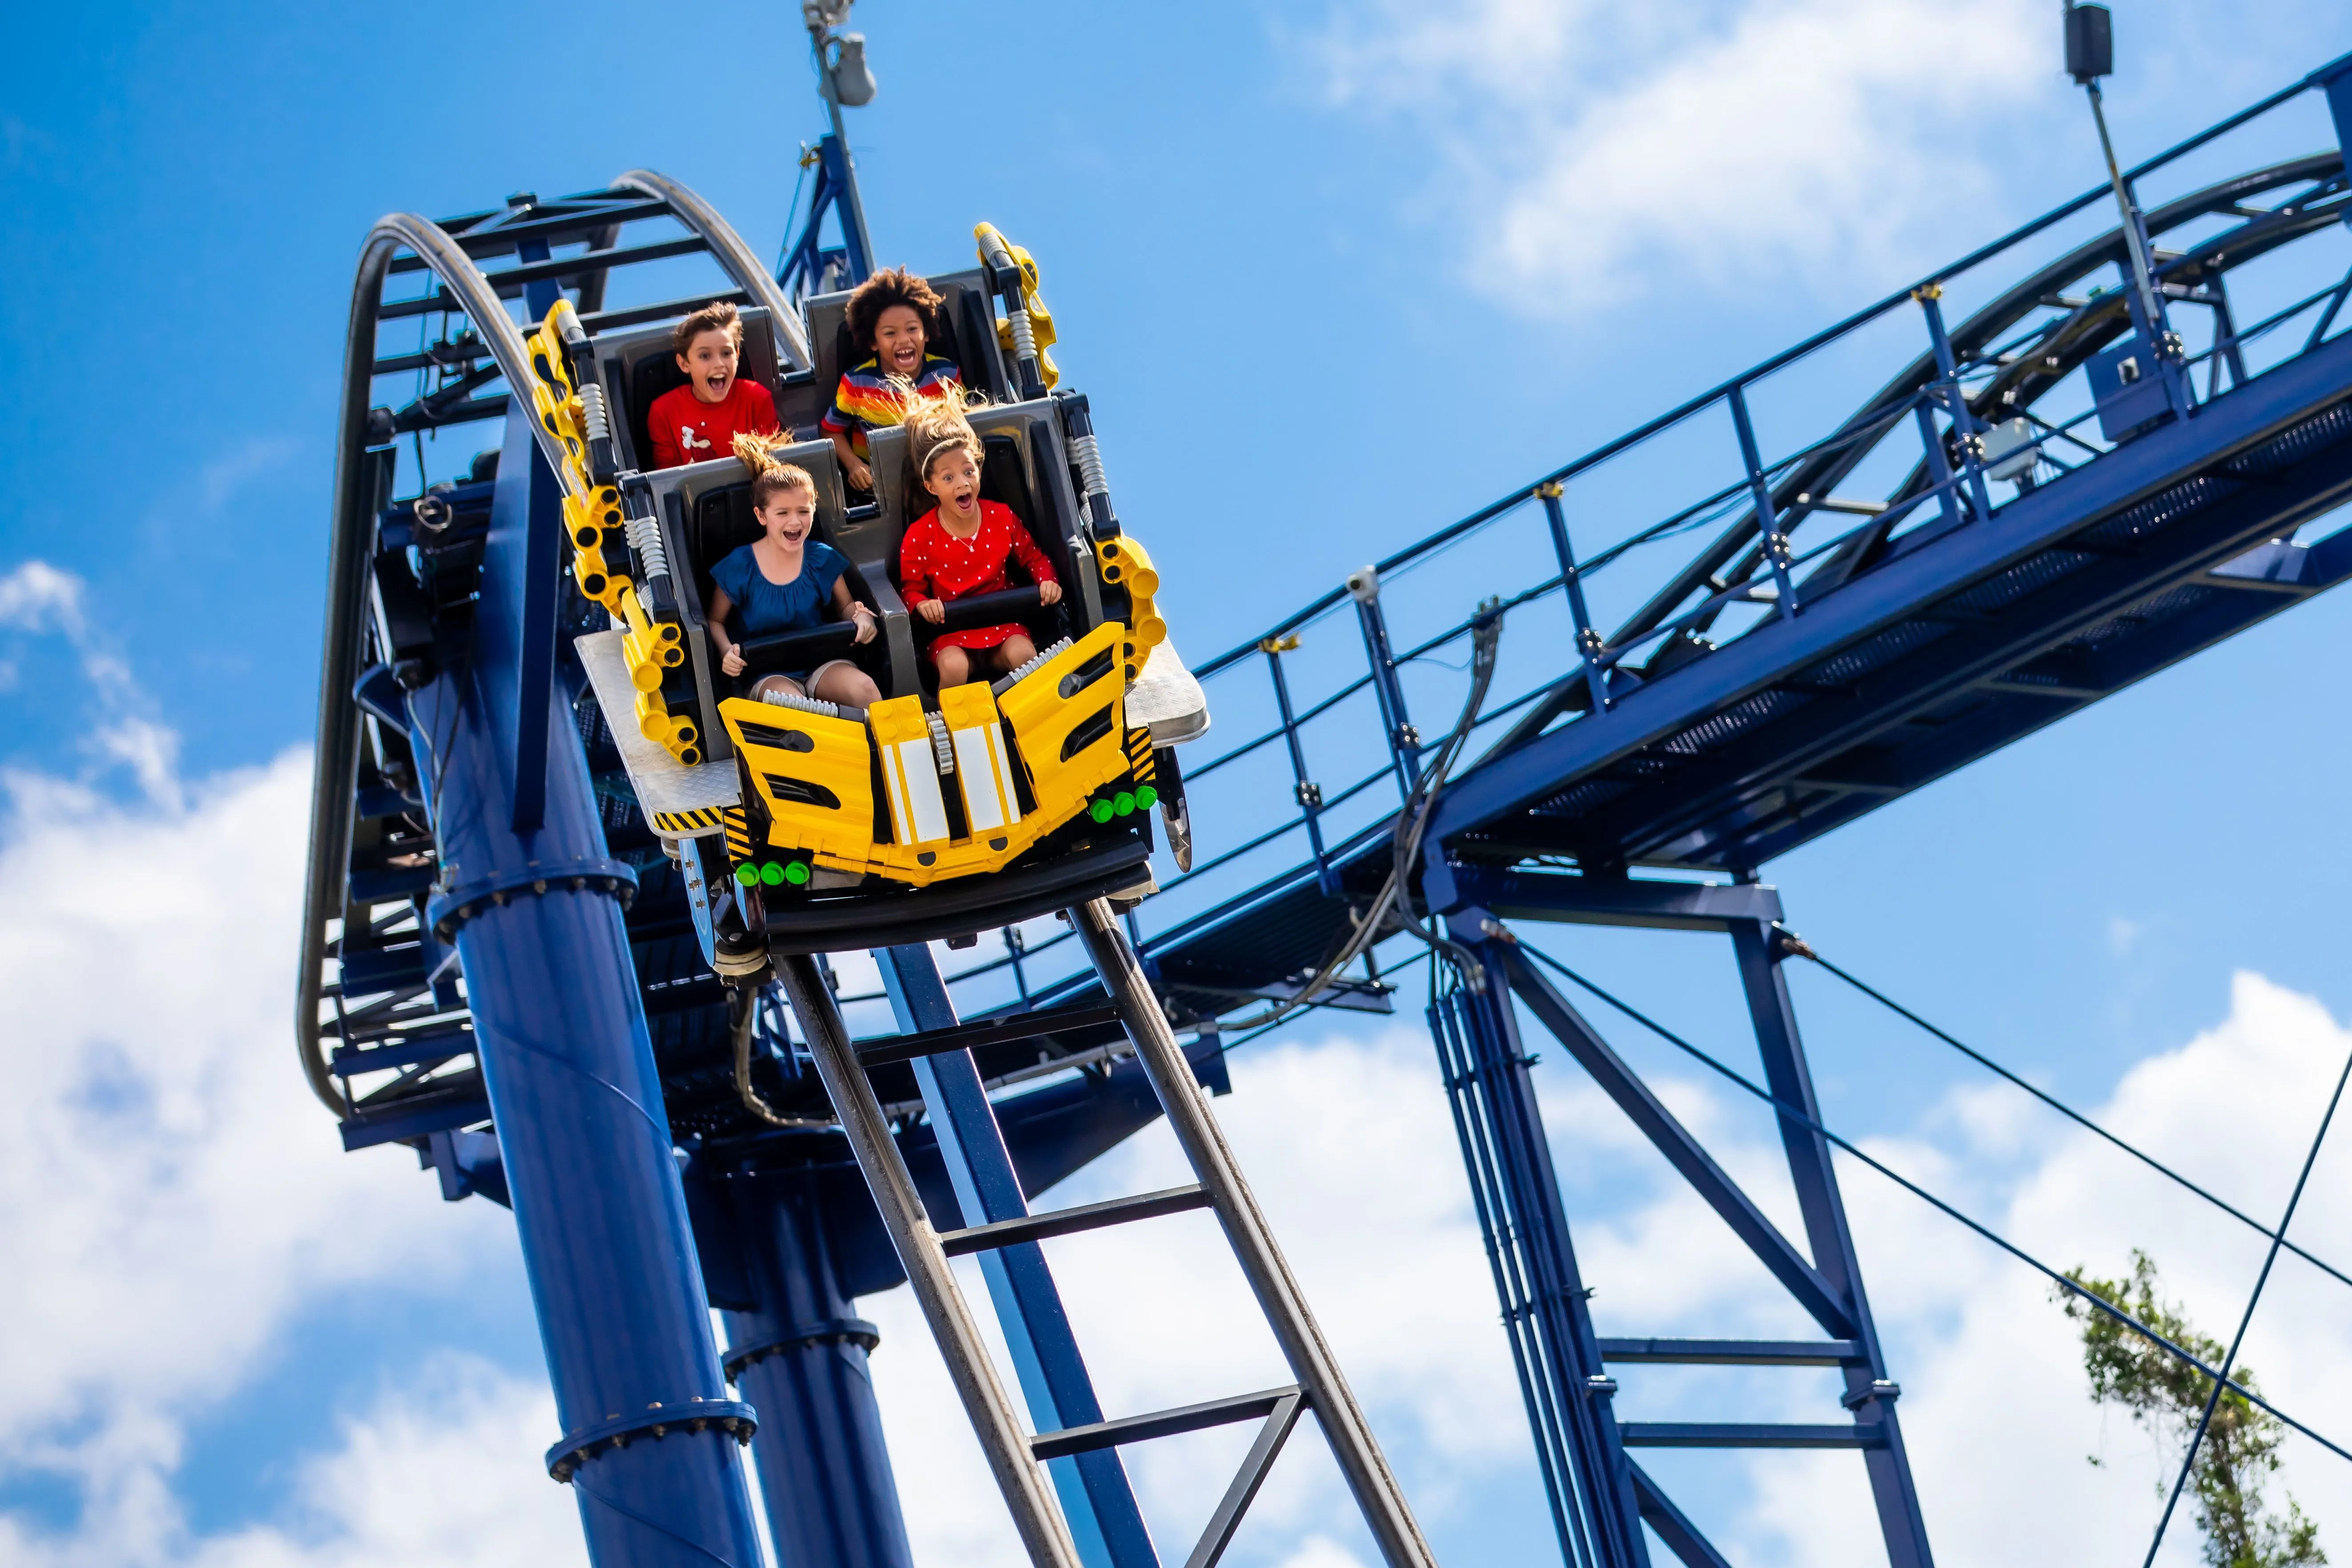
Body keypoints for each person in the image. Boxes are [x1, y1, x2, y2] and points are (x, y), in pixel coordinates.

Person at [707, 434, 882, 709]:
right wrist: (725, 651)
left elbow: (845, 605)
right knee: (795, 707)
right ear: (761, 516)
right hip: (768, 673)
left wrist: (862, 619)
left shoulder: (821, 558)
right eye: (782, 513)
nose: (795, 521)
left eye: (803, 511)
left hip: (821, 663)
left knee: (865, 689)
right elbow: (715, 621)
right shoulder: (740, 565)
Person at [897, 397, 1060, 688]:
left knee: (1025, 654)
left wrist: (1047, 580)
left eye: (968, 472)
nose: (962, 483)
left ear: (979, 471)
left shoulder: (1001, 516)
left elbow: (1033, 557)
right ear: (931, 487)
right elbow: (911, 589)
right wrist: (923, 605)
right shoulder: (920, 536)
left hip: (1002, 624)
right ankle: (954, 726)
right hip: (952, 633)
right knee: (954, 666)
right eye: (949, 478)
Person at [822, 266, 960, 492]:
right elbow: (830, 430)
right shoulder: (857, 383)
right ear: (873, 342)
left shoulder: (947, 374)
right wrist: (854, 465)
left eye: (912, 329)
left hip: (938, 477)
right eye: (890, 333)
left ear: (925, 333)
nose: (904, 340)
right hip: (881, 483)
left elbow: (961, 422)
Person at [647, 302, 780, 469]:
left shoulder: (757, 398)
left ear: (737, 355)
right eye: (705, 356)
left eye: (726, 353)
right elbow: (666, 481)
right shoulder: (663, 412)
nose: (718, 364)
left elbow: (774, 467)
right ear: (684, 364)